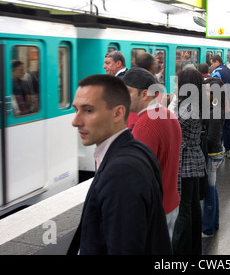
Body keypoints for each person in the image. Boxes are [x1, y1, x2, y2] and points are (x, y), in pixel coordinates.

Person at [68, 74, 171, 255]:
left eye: (88, 110)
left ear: (118, 113)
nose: (75, 121)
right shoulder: (136, 149)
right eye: (76, 110)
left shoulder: (123, 172)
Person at [122, 67, 182, 243]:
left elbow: (137, 177)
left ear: (145, 94)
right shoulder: (168, 115)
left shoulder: (144, 125)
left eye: (128, 92)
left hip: (153, 210)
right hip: (170, 203)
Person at [172, 68, 207, 255]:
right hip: (194, 160)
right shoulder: (197, 103)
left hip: (186, 162)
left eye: (178, 83)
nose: (176, 86)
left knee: (183, 209)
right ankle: (194, 249)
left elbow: (174, 127)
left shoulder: (187, 107)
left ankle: (178, 251)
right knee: (193, 206)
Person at [201, 76, 225, 237]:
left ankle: (207, 228)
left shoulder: (216, 111)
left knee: (209, 191)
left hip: (212, 154)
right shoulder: (214, 108)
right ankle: (213, 223)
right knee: (212, 189)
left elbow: (212, 138)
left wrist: (200, 137)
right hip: (214, 153)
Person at [210, 55, 230, 159]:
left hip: (220, 104)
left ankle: (218, 149)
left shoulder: (216, 72)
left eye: (212, 63)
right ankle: (229, 150)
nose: (211, 65)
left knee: (218, 128)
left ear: (216, 62)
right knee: (228, 128)